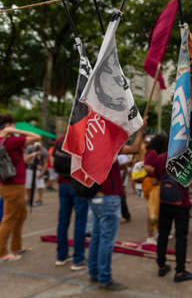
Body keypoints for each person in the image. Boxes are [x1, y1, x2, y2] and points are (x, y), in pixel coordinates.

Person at [87, 119, 146, 291]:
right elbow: (134, 149)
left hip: (96, 197)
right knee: (106, 240)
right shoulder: (108, 145)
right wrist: (140, 131)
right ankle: (104, 278)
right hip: (108, 198)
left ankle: (94, 272)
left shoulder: (91, 144)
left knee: (97, 238)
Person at [145, 134, 192, 283]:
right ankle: (180, 272)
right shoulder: (187, 158)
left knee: (162, 235)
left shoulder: (161, 158)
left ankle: (161, 266)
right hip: (182, 203)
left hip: (164, 202)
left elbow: (154, 178)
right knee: (181, 238)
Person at [0, 113, 41, 262]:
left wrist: (27, 158)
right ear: (9, 125)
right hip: (14, 185)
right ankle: (2, 252)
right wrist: (10, 131)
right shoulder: (10, 140)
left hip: (11, 184)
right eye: (14, 124)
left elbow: (13, 161)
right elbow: (37, 137)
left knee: (20, 215)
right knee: (9, 218)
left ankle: (16, 246)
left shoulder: (5, 142)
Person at [53, 136, 89, 271]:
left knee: (62, 221)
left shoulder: (60, 140)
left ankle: (61, 256)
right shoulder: (84, 139)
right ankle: (78, 259)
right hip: (78, 184)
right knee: (80, 222)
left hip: (62, 184)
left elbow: (53, 160)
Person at [25, 141, 48, 206]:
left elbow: (46, 163)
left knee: (40, 185)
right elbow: (25, 159)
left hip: (39, 170)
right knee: (28, 185)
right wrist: (33, 162)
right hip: (29, 169)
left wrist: (42, 173)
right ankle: (29, 199)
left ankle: (40, 199)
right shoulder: (29, 148)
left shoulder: (44, 150)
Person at [117, 154, 131, 222]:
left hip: (121, 179)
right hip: (120, 178)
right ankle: (126, 215)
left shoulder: (122, 156)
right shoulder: (121, 156)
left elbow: (125, 169)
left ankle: (126, 215)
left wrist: (122, 181)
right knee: (121, 198)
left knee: (121, 198)